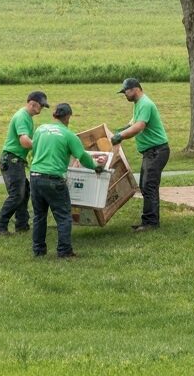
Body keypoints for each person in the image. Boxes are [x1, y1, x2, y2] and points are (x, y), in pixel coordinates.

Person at [29, 102, 103, 258]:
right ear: (68, 117)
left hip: (35, 176)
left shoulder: (40, 129)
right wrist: (96, 166)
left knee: (39, 215)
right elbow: (82, 156)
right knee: (63, 216)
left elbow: (34, 149)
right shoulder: (69, 135)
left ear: (54, 115)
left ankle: (38, 250)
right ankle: (64, 251)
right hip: (54, 179)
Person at [110, 77, 169, 232]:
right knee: (145, 185)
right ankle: (148, 220)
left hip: (157, 151)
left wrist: (120, 137)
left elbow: (139, 127)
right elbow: (132, 123)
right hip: (151, 152)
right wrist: (118, 131)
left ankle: (151, 223)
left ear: (135, 89)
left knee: (149, 185)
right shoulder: (139, 104)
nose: (124, 94)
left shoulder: (145, 104)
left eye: (126, 91)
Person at [0, 90, 48, 236]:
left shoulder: (27, 117)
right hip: (11, 159)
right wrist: (42, 147)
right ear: (33, 104)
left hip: (16, 160)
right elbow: (24, 141)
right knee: (17, 194)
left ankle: (22, 225)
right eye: (41, 106)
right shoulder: (22, 116)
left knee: (24, 192)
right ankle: (0, 226)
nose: (42, 109)